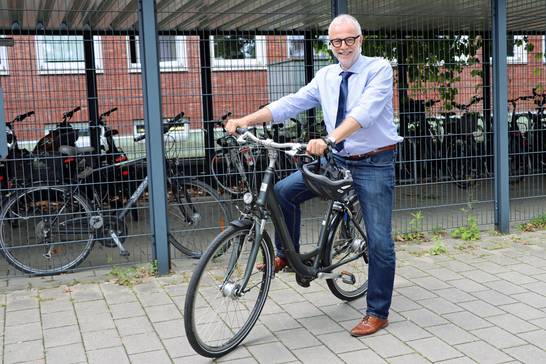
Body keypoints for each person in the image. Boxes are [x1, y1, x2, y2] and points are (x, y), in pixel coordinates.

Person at [225, 14, 402, 337]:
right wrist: (246, 120)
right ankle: (285, 255)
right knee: (282, 192)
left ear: (360, 40)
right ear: (330, 44)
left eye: (350, 40)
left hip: (373, 162)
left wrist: (331, 138)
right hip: (336, 158)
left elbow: (364, 112)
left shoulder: (378, 69)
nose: (343, 46)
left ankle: (378, 312)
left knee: (378, 240)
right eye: (337, 41)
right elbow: (290, 103)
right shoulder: (326, 76)